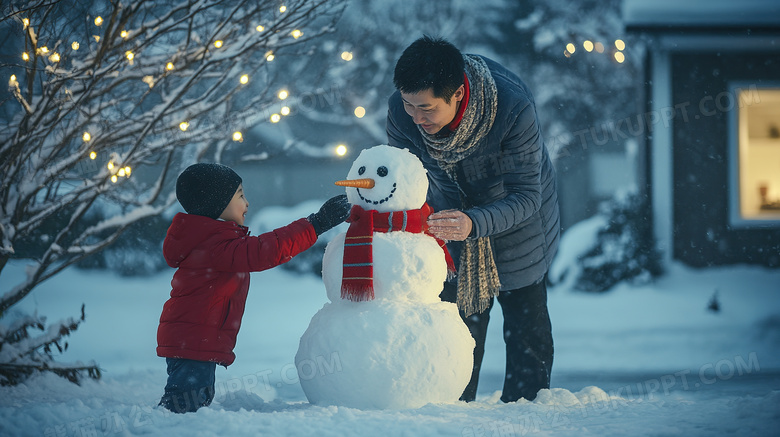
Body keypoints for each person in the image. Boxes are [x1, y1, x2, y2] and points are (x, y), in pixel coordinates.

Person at [387, 36, 560, 402]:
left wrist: (474, 222)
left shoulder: (512, 108)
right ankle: (451, 416)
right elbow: (401, 179)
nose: (415, 117)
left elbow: (528, 195)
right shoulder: (403, 111)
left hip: (517, 221)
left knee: (527, 334)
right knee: (452, 337)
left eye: (427, 109)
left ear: (458, 95)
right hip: (448, 224)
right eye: (408, 105)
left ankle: (524, 418)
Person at [156, 162, 350, 413]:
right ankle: (162, 428)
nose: (247, 203)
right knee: (183, 406)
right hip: (194, 339)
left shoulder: (208, 240)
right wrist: (315, 224)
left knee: (192, 400)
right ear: (216, 204)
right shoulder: (214, 246)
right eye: (240, 196)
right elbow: (263, 251)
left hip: (192, 338)